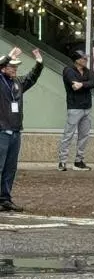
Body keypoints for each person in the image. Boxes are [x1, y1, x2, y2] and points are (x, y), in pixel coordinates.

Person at [0, 47, 44, 212]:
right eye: (12, 66)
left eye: (16, 67)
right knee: (0, 166)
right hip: (1, 131)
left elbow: (32, 78)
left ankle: (5, 199)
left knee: (10, 168)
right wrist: (8, 56)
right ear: (3, 68)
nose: (15, 69)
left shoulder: (17, 83)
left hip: (15, 131)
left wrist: (39, 63)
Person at [57, 49, 94, 172]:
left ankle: (79, 161)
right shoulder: (68, 70)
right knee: (68, 135)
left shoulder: (88, 71)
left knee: (84, 135)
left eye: (86, 58)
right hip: (74, 107)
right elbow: (74, 85)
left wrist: (82, 84)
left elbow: (93, 83)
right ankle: (62, 162)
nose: (86, 60)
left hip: (87, 107)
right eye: (83, 58)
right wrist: (84, 84)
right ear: (77, 60)